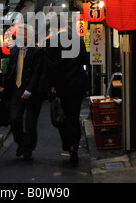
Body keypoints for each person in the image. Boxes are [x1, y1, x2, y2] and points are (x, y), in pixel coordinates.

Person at [0, 24, 44, 160]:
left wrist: (29, 90)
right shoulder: (15, 50)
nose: (19, 37)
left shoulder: (37, 51)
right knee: (14, 119)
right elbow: (11, 71)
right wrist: (5, 87)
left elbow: (36, 73)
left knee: (30, 123)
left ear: (29, 36)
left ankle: (28, 150)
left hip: (32, 92)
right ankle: (22, 143)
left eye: (23, 35)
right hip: (16, 91)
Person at [45, 19, 89, 165]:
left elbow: (51, 67)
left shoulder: (52, 42)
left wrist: (52, 85)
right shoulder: (78, 40)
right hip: (77, 86)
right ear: (66, 27)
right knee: (74, 117)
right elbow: (85, 61)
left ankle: (67, 144)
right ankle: (74, 147)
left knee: (62, 117)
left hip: (61, 86)